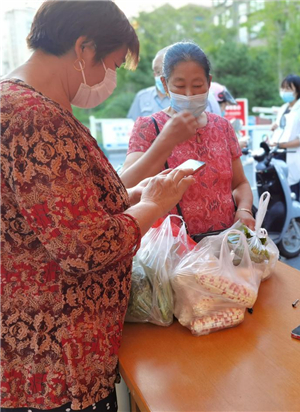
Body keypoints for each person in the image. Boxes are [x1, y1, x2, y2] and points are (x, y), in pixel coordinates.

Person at [0, 1, 196, 410]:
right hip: (58, 359)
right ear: (83, 48)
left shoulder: (24, 104)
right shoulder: (36, 119)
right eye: (111, 62)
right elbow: (84, 247)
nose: (110, 77)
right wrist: (155, 205)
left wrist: (132, 198)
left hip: (44, 347)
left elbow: (61, 213)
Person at [119, 41, 255, 236]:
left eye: (198, 85)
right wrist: (166, 140)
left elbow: (240, 183)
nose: (189, 94)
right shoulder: (149, 127)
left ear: (209, 82)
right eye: (180, 85)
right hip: (175, 250)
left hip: (225, 243)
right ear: (165, 84)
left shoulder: (222, 127)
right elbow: (124, 187)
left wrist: (244, 210)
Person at [269, 74, 300, 202]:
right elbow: (285, 129)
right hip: (278, 156)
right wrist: (275, 127)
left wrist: (283, 145)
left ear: (298, 91)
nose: (284, 92)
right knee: (278, 197)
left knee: (291, 197)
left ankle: (293, 222)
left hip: (291, 158)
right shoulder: (284, 108)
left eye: (288, 89)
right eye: (283, 88)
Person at [126, 46, 170, 121]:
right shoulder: (142, 96)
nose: (163, 77)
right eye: (159, 72)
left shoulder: (178, 97)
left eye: (165, 73)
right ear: (154, 75)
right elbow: (133, 123)